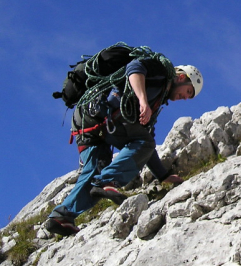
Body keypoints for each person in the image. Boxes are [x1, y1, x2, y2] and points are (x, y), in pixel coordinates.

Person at [45, 53, 203, 237]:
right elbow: (135, 68)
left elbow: (146, 140)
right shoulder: (160, 71)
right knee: (142, 145)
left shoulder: (157, 98)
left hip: (86, 122)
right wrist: (143, 101)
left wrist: (164, 175)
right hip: (102, 115)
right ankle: (108, 180)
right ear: (182, 77)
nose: (184, 98)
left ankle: (61, 217)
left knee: (94, 172)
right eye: (188, 92)